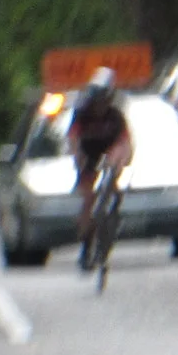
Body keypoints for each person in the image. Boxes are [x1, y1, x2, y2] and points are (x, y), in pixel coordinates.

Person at [69, 69, 133, 267]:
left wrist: (121, 161)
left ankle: (111, 201)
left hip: (109, 147)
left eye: (105, 99)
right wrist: (77, 158)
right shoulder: (82, 112)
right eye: (97, 99)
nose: (100, 105)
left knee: (116, 162)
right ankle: (86, 246)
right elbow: (73, 138)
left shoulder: (115, 114)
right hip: (88, 151)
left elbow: (126, 142)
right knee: (88, 199)